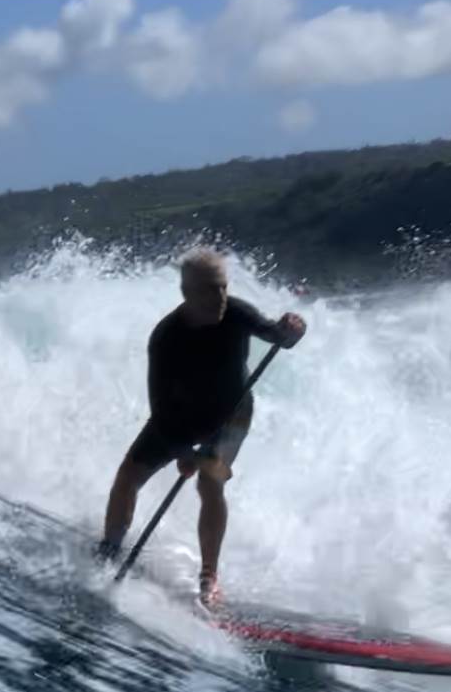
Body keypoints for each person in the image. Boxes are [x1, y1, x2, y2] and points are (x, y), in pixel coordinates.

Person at [96, 248, 306, 604]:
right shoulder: (166, 337)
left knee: (210, 481)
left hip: (232, 416)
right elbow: (161, 409)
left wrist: (293, 329)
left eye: (223, 287)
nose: (221, 297)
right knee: (128, 476)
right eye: (210, 289)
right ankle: (109, 549)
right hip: (178, 418)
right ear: (187, 294)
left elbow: (277, 336)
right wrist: (182, 451)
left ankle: (209, 577)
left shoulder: (237, 313)